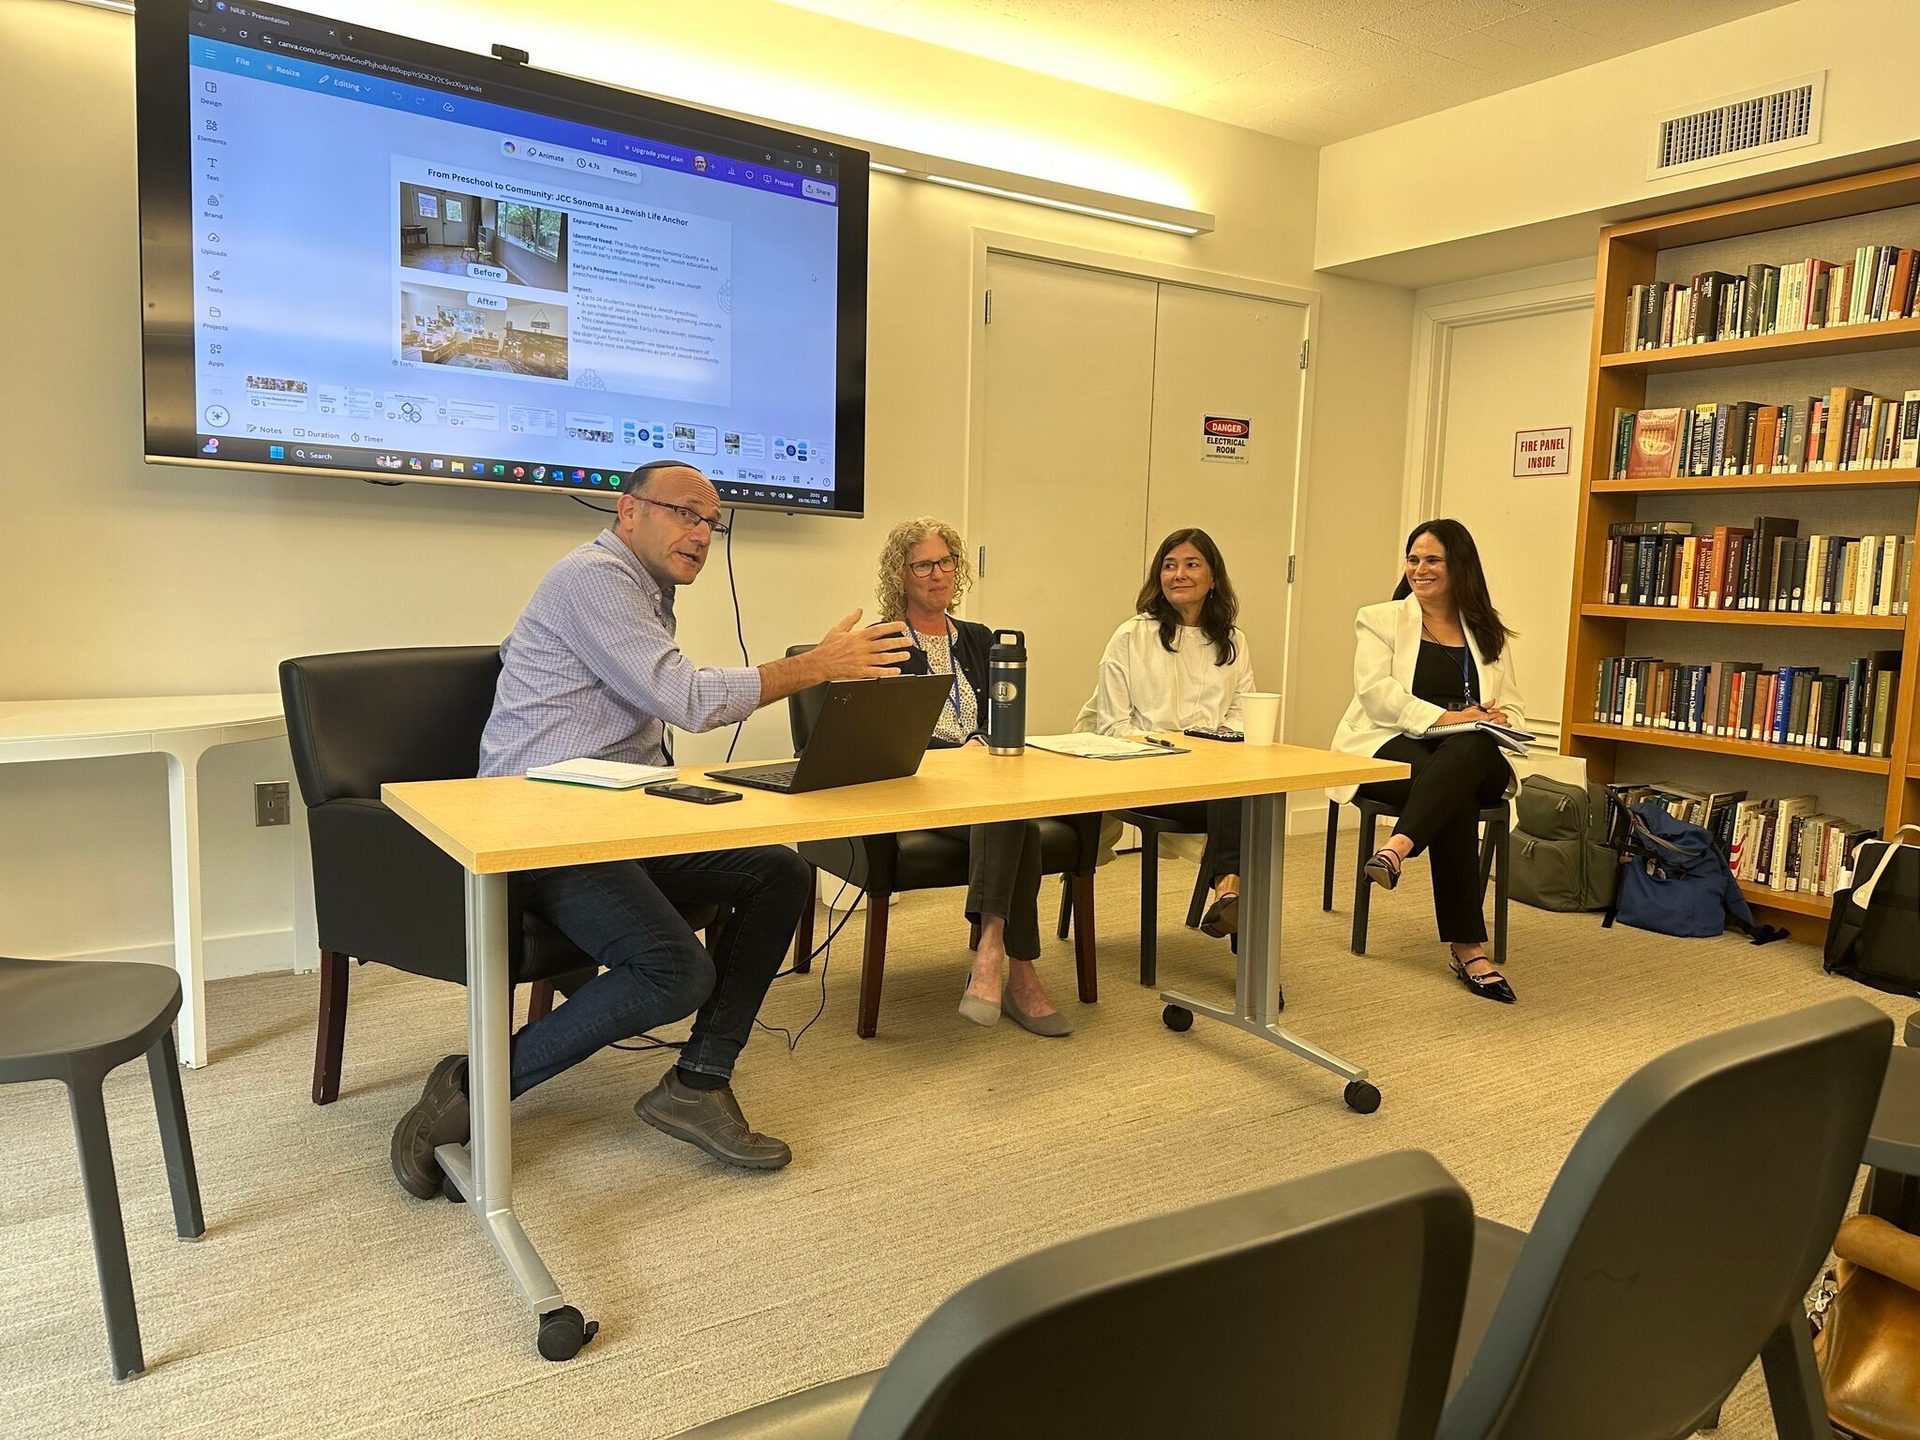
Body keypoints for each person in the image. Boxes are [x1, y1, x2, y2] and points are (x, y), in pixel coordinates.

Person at [389, 461, 912, 1195]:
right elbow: (686, 699)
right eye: (687, 514)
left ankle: (698, 1082)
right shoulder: (593, 579)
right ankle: (474, 1084)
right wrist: (818, 667)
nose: (702, 533)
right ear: (627, 511)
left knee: (778, 872)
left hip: (619, 821)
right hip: (540, 826)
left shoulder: (646, 591)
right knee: (675, 972)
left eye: (712, 522)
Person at [876, 518, 1070, 1037]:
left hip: (987, 788)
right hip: (921, 790)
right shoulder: (884, 642)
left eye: (946, 562)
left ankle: (991, 952)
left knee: (1010, 813)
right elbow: (888, 737)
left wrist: (987, 743)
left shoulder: (982, 639)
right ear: (901, 573)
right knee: (1016, 818)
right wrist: (957, 749)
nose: (938, 574)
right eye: (923, 564)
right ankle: (1018, 972)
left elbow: (1004, 719)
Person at [1329, 518, 1526, 1004]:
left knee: (1470, 746)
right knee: (1452, 790)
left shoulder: (1487, 632)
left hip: (1475, 755)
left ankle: (1396, 847)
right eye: (1413, 558)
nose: (1419, 568)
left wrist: (1498, 716)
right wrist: (1448, 717)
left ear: (1459, 566)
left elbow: (1517, 707)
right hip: (1394, 742)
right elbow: (1377, 696)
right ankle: (1468, 949)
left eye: (1432, 559)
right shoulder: (1380, 618)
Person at [1087, 528, 1254, 939]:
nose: (1178, 574)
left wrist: (1216, 744)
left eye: (1191, 564)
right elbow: (1112, 726)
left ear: (1213, 578)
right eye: (1169, 565)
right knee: (1243, 805)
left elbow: (1242, 712)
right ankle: (1244, 939)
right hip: (1148, 775)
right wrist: (1174, 749)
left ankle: (1230, 897)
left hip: (1210, 778)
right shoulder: (1131, 636)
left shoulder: (1232, 641)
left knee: (1252, 799)